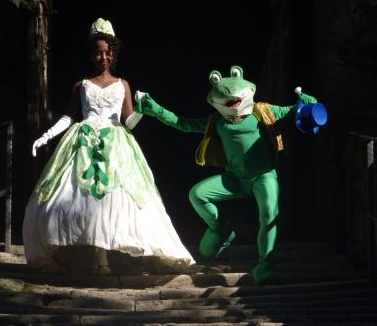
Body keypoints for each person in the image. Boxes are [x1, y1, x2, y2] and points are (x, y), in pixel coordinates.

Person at [22, 18, 195, 275]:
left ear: (113, 54)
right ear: (92, 55)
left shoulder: (122, 84)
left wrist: (146, 110)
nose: (103, 57)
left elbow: (130, 122)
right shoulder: (81, 85)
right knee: (79, 198)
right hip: (83, 141)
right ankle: (94, 258)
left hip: (115, 143)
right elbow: (70, 117)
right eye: (98, 52)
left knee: (117, 200)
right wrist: (46, 135)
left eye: (108, 52)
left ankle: (112, 259)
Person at [135, 66, 327, 285]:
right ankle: (221, 230)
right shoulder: (216, 122)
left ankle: (265, 263)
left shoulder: (262, 111)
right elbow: (183, 123)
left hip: (263, 176)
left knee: (268, 215)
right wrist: (156, 109)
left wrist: (307, 103)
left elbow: (294, 111)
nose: (233, 101)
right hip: (234, 179)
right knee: (197, 194)